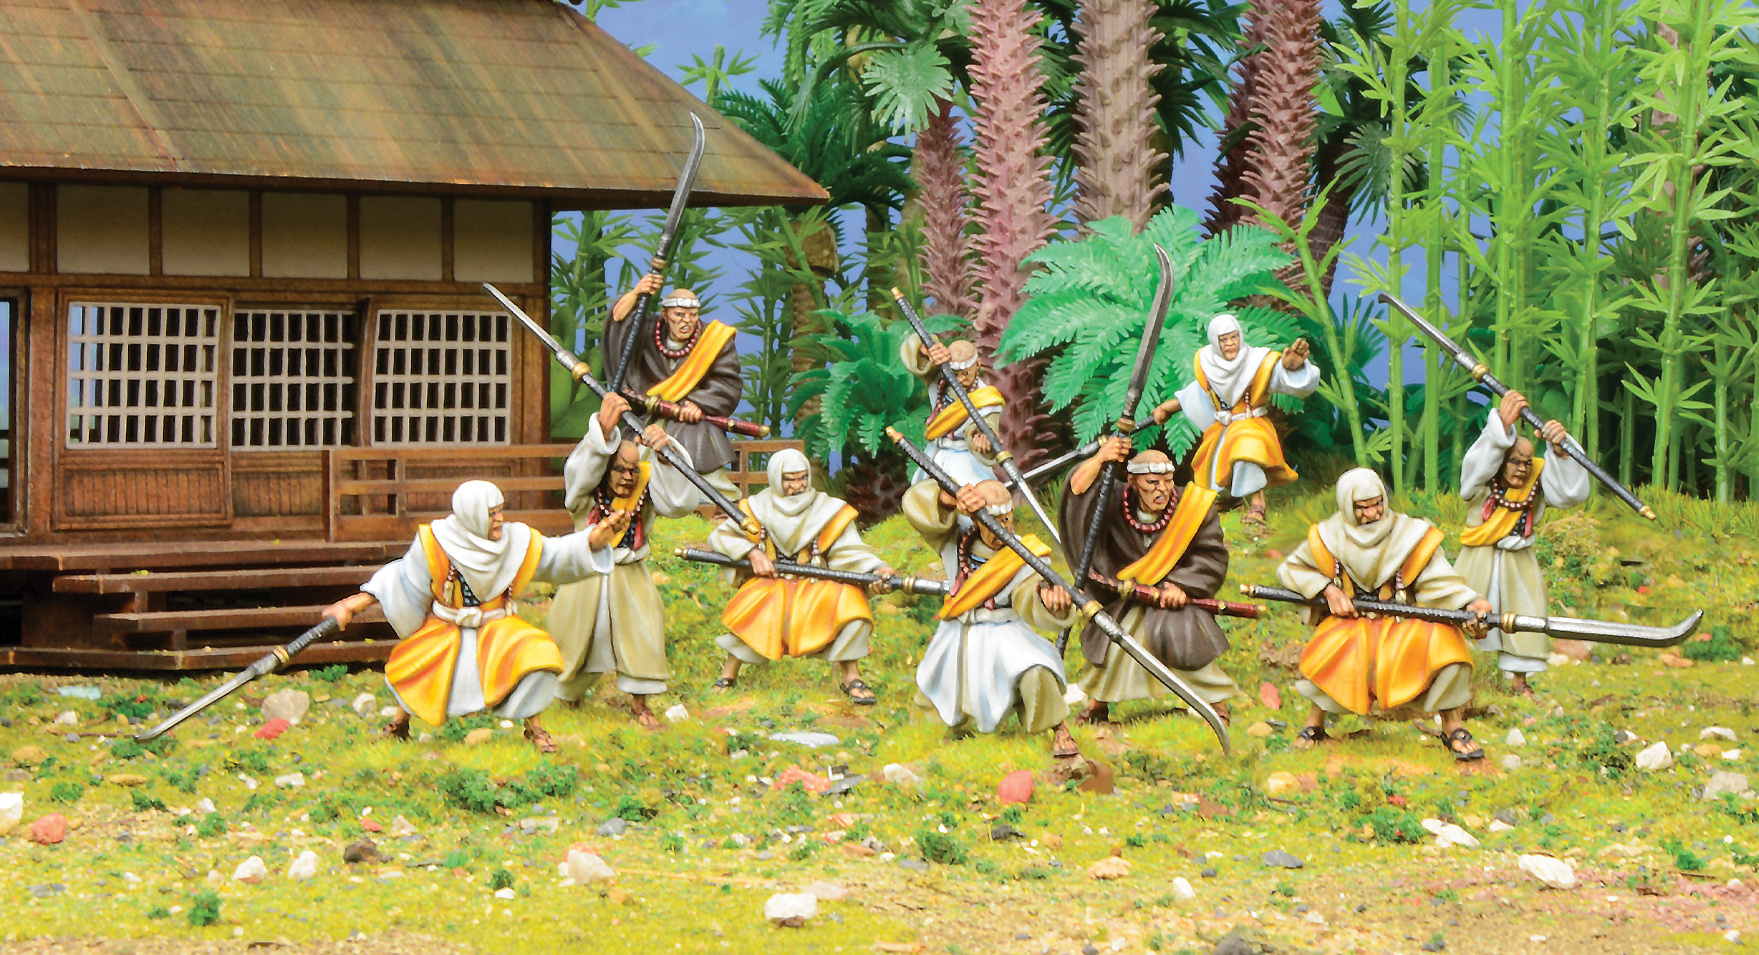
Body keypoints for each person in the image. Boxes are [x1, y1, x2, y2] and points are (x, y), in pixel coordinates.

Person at [321, 480, 610, 753]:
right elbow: (401, 577)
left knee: (535, 654)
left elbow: (554, 555)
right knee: (418, 666)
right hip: (448, 625)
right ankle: (399, 724)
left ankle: (534, 728)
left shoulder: (516, 541)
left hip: (499, 625)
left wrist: (591, 542)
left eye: (500, 511)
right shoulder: (436, 542)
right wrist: (352, 605)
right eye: (491, 513)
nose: (499, 519)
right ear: (472, 515)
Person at [1275, 468, 1495, 761]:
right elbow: (1291, 569)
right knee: (1330, 650)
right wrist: (1328, 590)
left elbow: (1439, 579)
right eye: (1361, 507)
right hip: (1353, 623)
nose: (1372, 513)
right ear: (1347, 506)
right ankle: (1314, 725)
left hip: (1404, 621)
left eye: (1377, 503)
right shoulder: (1327, 536)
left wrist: (1470, 604)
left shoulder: (1410, 534)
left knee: (1447, 647)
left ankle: (1453, 726)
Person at [544, 393, 702, 730]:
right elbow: (578, 473)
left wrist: (666, 456)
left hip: (630, 573)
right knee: (572, 636)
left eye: (633, 470)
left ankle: (640, 704)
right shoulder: (586, 496)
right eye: (619, 469)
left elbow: (679, 502)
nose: (627, 477)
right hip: (587, 574)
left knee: (642, 634)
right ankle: (566, 696)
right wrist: (601, 432)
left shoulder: (645, 492)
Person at [1058, 442, 1237, 725]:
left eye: (1167, 481)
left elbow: (1210, 556)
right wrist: (1101, 458)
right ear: (1132, 482)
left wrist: (1182, 585)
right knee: (1115, 640)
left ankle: (1217, 705)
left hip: (1174, 602)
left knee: (1185, 637)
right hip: (1125, 598)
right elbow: (1079, 491)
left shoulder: (1193, 507)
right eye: (1152, 483)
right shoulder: (1113, 500)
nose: (1161, 490)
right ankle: (1097, 706)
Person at [902, 478, 1082, 760]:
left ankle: (1058, 729)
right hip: (959, 629)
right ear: (976, 520)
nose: (1000, 529)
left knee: (1036, 670)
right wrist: (949, 501)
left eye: (1005, 519)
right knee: (940, 679)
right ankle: (942, 730)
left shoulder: (1024, 554)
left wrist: (1049, 602)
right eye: (991, 521)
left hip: (1004, 630)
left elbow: (1027, 593)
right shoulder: (956, 538)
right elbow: (917, 507)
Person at [706, 449, 896, 704]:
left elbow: (849, 551)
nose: (797, 486)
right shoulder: (755, 508)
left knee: (852, 607)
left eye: (802, 478)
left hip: (816, 583)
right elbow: (722, 536)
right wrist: (752, 553)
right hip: (771, 583)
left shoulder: (829, 510)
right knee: (752, 609)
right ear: (776, 478)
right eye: (789, 479)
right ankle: (728, 674)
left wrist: (876, 570)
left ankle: (851, 677)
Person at [1456, 391, 1589, 699]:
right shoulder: (1481, 485)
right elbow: (1475, 467)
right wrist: (1500, 427)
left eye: (1527, 462)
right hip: (1478, 558)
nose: (1522, 468)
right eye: (1515, 461)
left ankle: (1519, 681)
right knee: (1466, 615)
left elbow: (1569, 494)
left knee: (1526, 614)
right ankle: (1463, 678)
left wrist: (1561, 451)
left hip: (1519, 561)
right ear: (1501, 461)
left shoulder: (1535, 481)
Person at [1151, 314, 1320, 525]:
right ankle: (1230, 500)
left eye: (1234, 337)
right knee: (1213, 466)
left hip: (1251, 424)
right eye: (1224, 339)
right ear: (1215, 342)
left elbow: (1276, 374)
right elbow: (1198, 392)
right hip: (1223, 428)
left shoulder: (1257, 362)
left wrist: (1290, 366)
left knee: (1246, 451)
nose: (1230, 343)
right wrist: (1168, 407)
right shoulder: (1208, 365)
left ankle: (1258, 505)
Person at [605, 272, 743, 499]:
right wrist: (638, 292)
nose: (686, 321)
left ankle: (714, 501)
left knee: (701, 449)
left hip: (692, 421)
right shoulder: (648, 330)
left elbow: (727, 381)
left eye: (692, 315)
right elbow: (620, 321)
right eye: (679, 314)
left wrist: (700, 404)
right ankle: (646, 500)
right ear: (665, 314)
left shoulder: (714, 339)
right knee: (636, 454)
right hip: (650, 416)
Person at [902, 335, 1005, 485]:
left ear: (978, 364)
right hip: (935, 454)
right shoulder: (940, 381)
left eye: (966, 373)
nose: (961, 379)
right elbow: (918, 358)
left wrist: (982, 439)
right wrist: (930, 351)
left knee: (969, 491)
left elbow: (988, 426)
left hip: (965, 460)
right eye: (955, 374)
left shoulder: (986, 398)